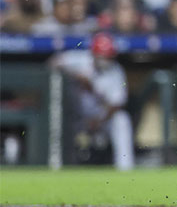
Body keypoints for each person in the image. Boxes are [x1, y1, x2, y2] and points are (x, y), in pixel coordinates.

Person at [48, 32, 134, 169]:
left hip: (101, 117)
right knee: (57, 117)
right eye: (102, 56)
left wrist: (99, 121)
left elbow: (117, 104)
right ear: (93, 53)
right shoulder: (80, 60)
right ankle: (55, 165)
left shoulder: (116, 71)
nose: (105, 59)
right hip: (75, 115)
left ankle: (125, 168)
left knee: (122, 120)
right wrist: (75, 75)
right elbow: (52, 63)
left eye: (108, 56)